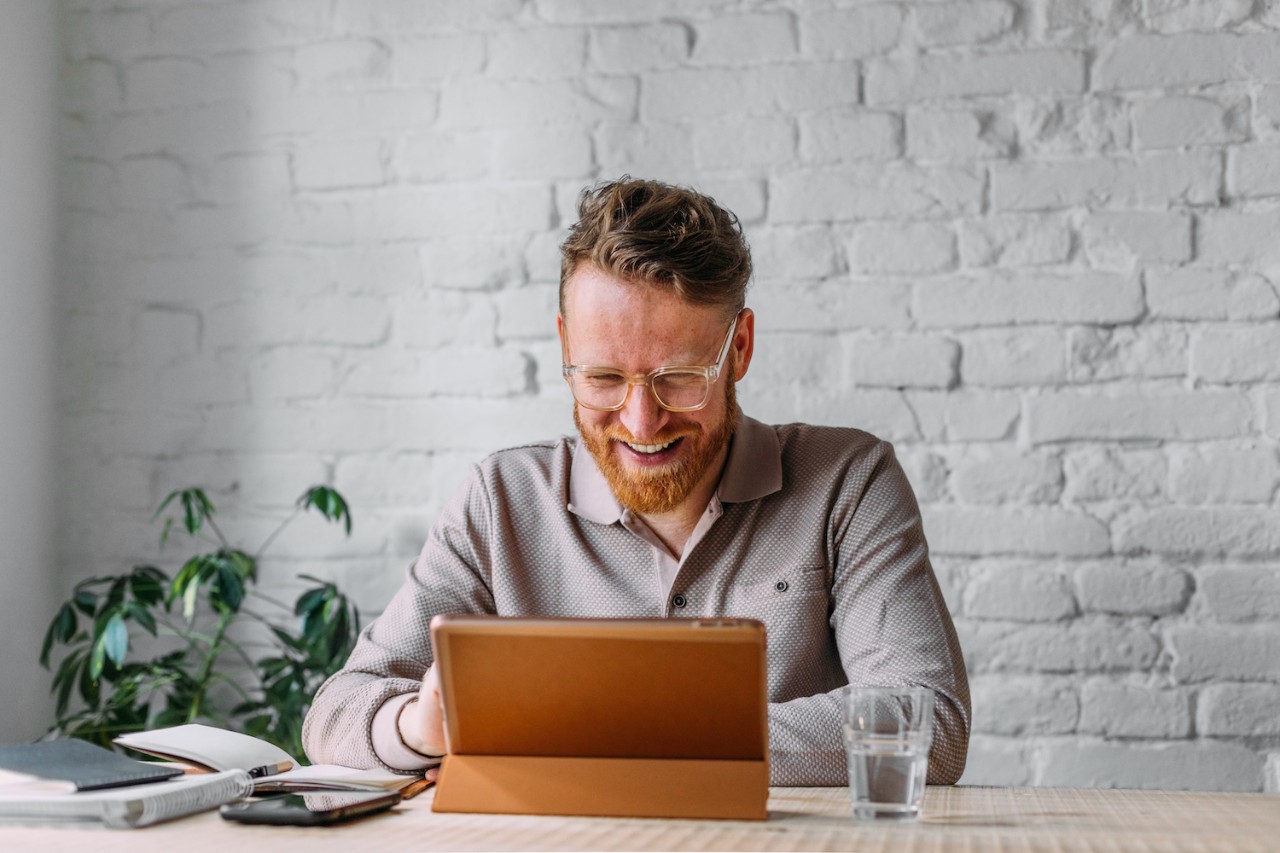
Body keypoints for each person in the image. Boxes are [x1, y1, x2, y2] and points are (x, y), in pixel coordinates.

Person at [302, 177, 970, 786]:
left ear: (739, 348)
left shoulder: (847, 481)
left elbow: (927, 720)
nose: (641, 420)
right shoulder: (501, 501)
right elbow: (334, 713)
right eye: (603, 378)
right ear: (566, 347)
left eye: (678, 377)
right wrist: (419, 728)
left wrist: (616, 733)